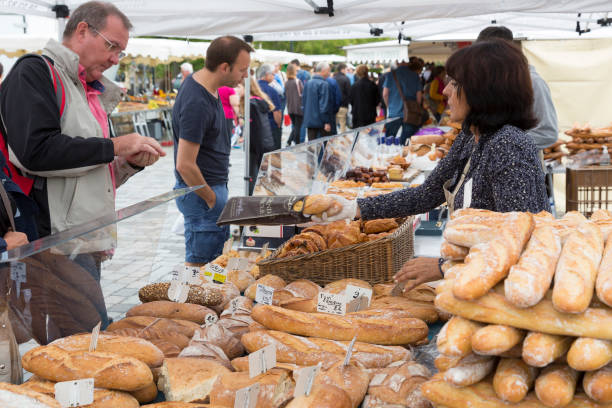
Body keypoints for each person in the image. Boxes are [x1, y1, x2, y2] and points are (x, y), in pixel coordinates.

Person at [313, 40, 550, 291]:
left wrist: (443, 267)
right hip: (474, 282)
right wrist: (354, 208)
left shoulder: (509, 146)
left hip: (501, 293)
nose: (445, 91)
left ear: (484, 91)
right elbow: (428, 194)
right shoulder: (472, 137)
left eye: (455, 84)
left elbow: (521, 240)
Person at [0, 1, 164, 240]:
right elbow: (35, 153)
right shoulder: (35, 72)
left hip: (85, 236)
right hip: (52, 240)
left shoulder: (89, 90)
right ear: (82, 30)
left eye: (121, 52)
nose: (116, 59)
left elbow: (88, 179)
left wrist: (129, 163)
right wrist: (116, 146)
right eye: (112, 46)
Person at [173, 35, 252, 266]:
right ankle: (190, 304)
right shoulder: (197, 101)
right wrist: (211, 199)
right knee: (201, 267)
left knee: (214, 265)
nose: (245, 76)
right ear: (224, 67)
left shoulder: (208, 87)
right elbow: (184, 164)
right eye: (242, 69)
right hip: (202, 193)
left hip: (211, 188)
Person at [476, 26, 558, 151]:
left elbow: (547, 133)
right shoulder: (491, 82)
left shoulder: (533, 82)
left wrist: (502, 146)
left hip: (522, 166)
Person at [241, 77, 275, 194]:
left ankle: (251, 199)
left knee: (252, 176)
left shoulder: (251, 104)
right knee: (259, 175)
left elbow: (255, 129)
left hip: (255, 145)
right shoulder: (258, 101)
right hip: (264, 143)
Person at [383, 59, 423, 144]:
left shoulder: (391, 74)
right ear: (407, 62)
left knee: (389, 142)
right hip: (410, 113)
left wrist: (389, 106)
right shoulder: (415, 75)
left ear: (397, 62)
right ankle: (404, 156)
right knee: (407, 143)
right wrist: (415, 107)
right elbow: (419, 96)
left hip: (394, 112)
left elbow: (385, 94)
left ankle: (391, 157)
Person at [302, 62, 332, 141]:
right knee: (322, 147)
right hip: (321, 122)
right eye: (328, 70)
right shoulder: (324, 84)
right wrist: (326, 122)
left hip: (310, 120)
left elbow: (303, 102)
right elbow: (324, 105)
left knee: (311, 146)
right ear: (323, 70)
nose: (329, 73)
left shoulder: (308, 83)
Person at [257, 64, 283, 150]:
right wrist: (278, 125)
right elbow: (277, 112)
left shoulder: (254, 88)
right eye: (272, 74)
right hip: (270, 127)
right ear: (267, 75)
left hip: (255, 127)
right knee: (274, 155)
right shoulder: (271, 90)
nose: (274, 76)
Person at [285, 64, 303, 146]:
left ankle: (289, 141)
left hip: (290, 108)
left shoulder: (286, 83)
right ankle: (296, 143)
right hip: (298, 107)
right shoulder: (297, 81)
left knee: (295, 126)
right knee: (297, 126)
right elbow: (303, 93)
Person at [334, 63, 351, 133]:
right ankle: (343, 142)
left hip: (334, 105)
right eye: (346, 69)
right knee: (342, 125)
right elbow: (349, 92)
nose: (347, 71)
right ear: (342, 69)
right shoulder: (346, 79)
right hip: (343, 104)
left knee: (333, 125)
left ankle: (332, 141)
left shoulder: (333, 78)